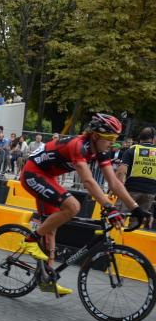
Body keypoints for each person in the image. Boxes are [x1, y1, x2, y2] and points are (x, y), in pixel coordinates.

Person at [19, 114, 151, 295]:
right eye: (110, 139)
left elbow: (114, 182)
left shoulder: (100, 150)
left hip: (48, 176)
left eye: (116, 139)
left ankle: (46, 278)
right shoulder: (78, 146)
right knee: (73, 206)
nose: (113, 143)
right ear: (96, 136)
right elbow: (88, 182)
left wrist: (136, 208)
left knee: (52, 228)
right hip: (33, 173)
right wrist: (109, 206)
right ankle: (30, 240)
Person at [115, 127, 156, 227]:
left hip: (130, 190)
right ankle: (129, 241)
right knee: (137, 222)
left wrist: (116, 188)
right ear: (153, 138)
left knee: (119, 218)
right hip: (150, 193)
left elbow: (121, 171)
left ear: (140, 137)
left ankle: (113, 240)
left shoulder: (132, 150)